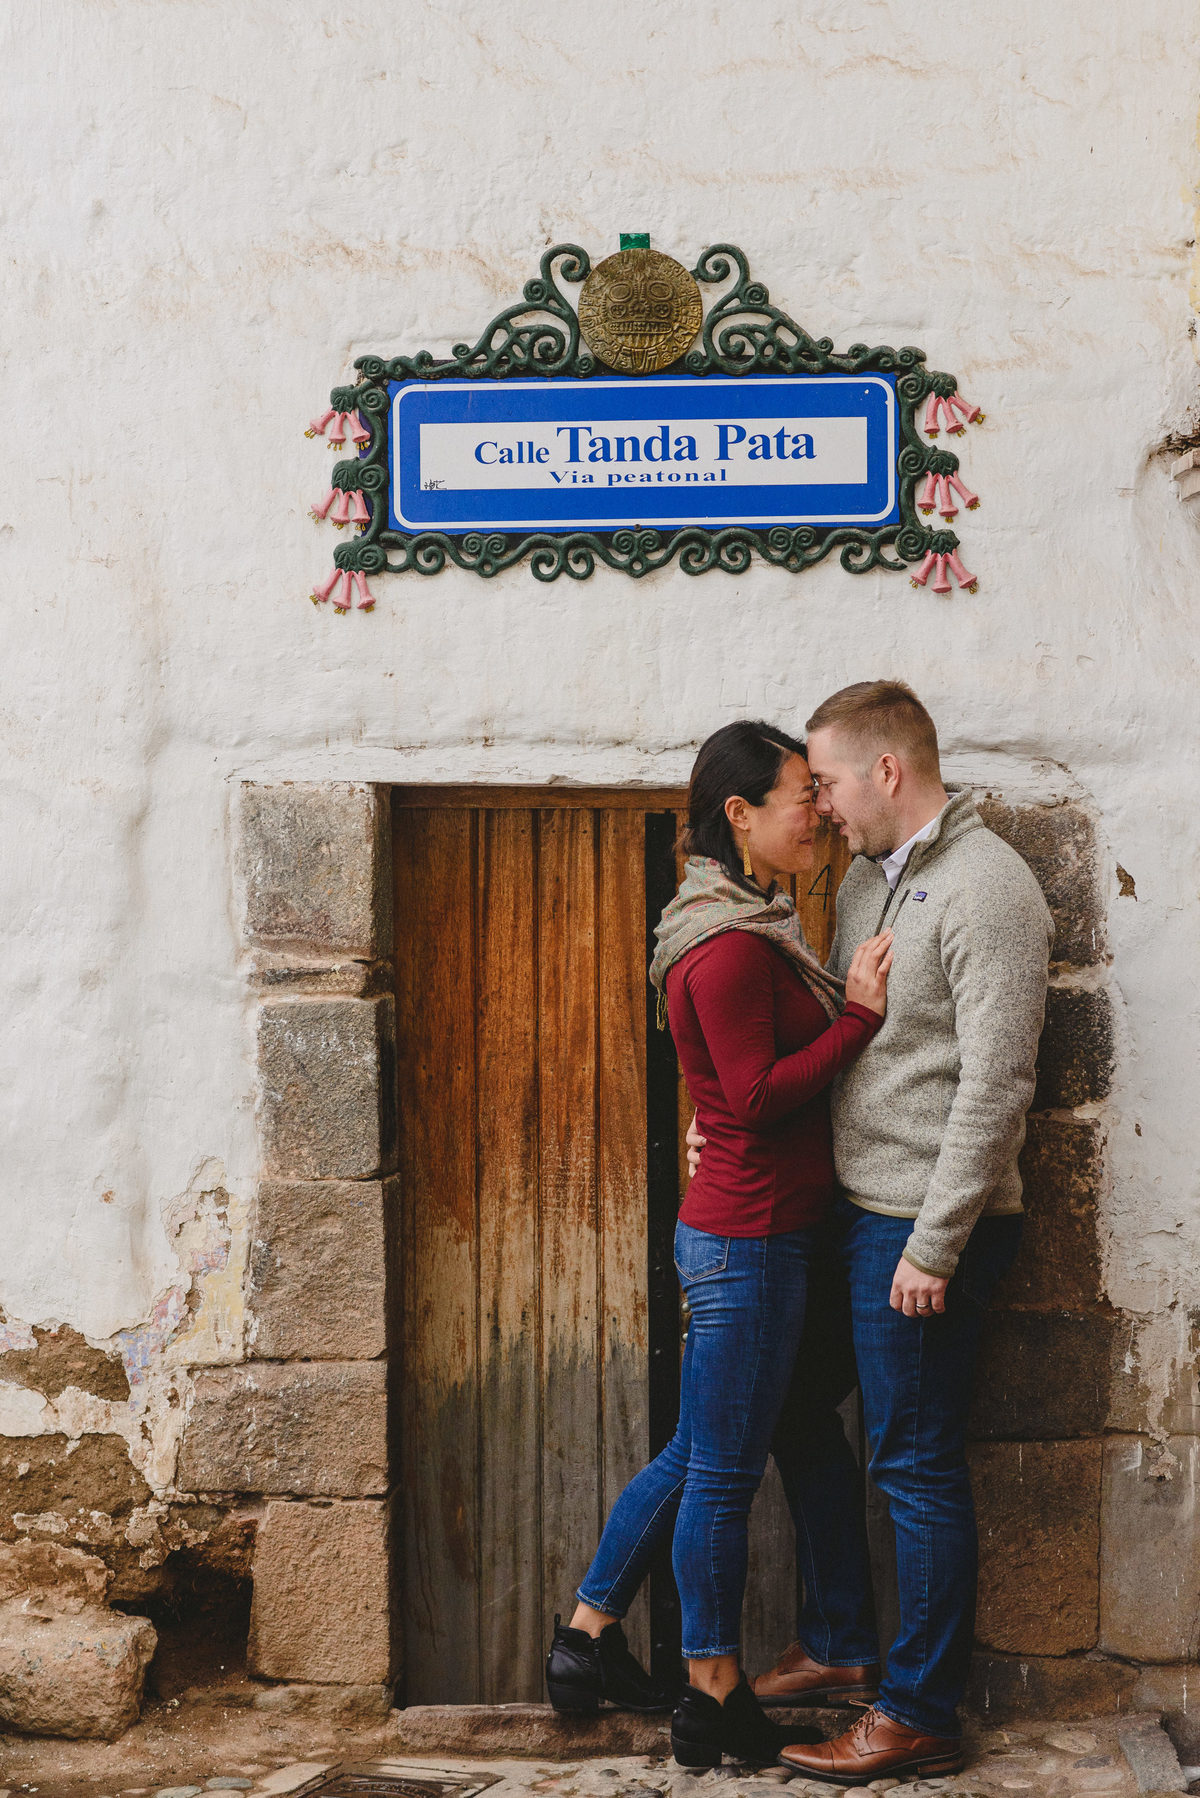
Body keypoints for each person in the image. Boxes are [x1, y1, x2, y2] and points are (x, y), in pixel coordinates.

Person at [689, 681, 1054, 1784]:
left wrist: (934, 1246)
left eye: (833, 782)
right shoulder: (862, 882)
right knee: (798, 1406)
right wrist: (725, 1131)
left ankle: (918, 1712)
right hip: (854, 1218)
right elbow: (837, 1046)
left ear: (886, 772)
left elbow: (999, 1085)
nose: (827, 806)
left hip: (922, 1232)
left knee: (915, 1460)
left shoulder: (990, 888)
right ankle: (841, 1637)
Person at [545, 720, 892, 1769]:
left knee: (705, 1453)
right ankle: (711, 1692)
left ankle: (587, 1637)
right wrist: (862, 1017)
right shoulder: (732, 944)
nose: (819, 809)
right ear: (738, 814)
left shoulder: (748, 921)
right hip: (748, 1245)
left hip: (762, 1233)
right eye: (801, 793)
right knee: (723, 1474)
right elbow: (747, 1099)